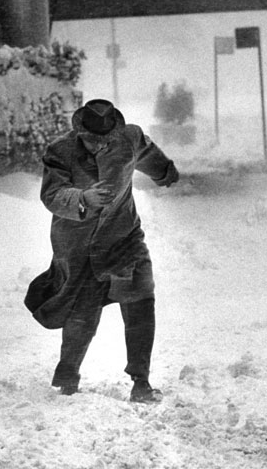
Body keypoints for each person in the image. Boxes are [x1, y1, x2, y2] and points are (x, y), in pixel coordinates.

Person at [24, 98, 179, 404]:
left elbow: (148, 155)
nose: (99, 146)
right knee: (82, 312)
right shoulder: (60, 151)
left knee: (140, 299)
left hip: (124, 238)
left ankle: (141, 381)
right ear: (81, 131)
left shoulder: (129, 138)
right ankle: (67, 375)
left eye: (105, 140)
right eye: (93, 140)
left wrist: (165, 174)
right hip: (78, 245)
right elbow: (52, 194)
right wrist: (82, 198)